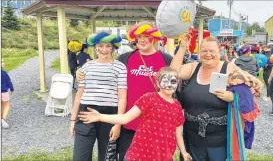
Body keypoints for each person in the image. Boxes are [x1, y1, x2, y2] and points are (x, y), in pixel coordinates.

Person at [76, 21, 173, 160]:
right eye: (139, 37)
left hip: (155, 123)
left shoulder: (166, 59)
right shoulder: (125, 59)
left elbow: (178, 80)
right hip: (129, 122)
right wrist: (81, 71)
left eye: (146, 36)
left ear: (154, 37)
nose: (143, 40)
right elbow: (105, 66)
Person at [171, 36, 263, 161]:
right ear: (199, 53)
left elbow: (253, 86)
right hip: (192, 138)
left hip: (220, 141)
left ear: (219, 52)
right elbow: (173, 72)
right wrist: (182, 48)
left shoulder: (229, 68)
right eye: (204, 51)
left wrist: (232, 97)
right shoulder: (193, 68)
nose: (208, 54)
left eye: (212, 51)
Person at [78, 67, 192, 161]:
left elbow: (178, 133)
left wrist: (184, 152)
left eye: (173, 81)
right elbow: (125, 118)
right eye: (165, 81)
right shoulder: (149, 98)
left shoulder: (177, 106)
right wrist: (100, 116)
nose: (169, 85)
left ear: (178, 83)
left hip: (163, 156)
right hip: (139, 155)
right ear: (157, 82)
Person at [70, 32, 127, 161]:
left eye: (108, 46)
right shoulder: (86, 67)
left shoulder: (120, 67)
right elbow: (79, 95)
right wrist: (73, 120)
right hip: (86, 112)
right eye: (100, 46)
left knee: (107, 157)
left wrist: (118, 124)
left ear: (113, 47)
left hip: (110, 114)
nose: (104, 49)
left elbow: (122, 97)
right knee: (80, 157)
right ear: (95, 47)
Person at [1, 60, 14, 129]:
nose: (3, 63)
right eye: (2, 62)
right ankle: (3, 120)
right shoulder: (4, 73)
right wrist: (12, 89)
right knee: (6, 105)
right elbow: (9, 82)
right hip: (4, 92)